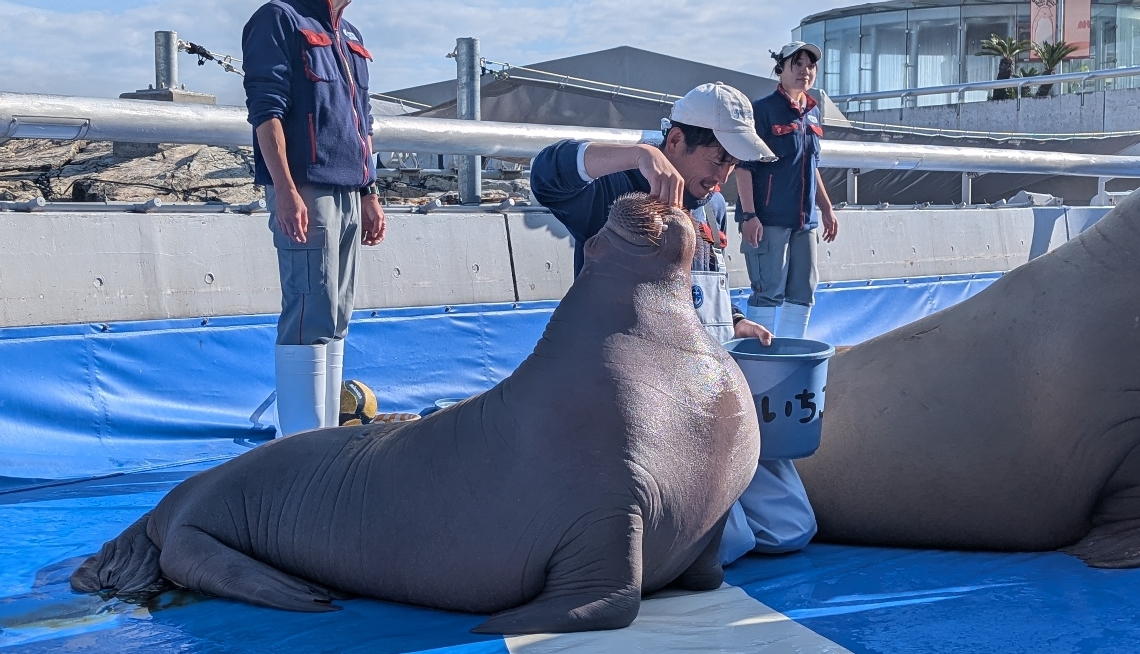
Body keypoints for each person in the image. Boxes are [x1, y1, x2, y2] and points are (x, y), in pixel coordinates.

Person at [531, 83, 815, 566]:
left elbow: (705, 290)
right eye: (717, 158)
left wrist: (738, 322)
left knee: (791, 525)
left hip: (712, 393)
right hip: (653, 403)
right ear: (676, 140)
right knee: (725, 544)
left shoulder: (715, 206)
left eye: (732, 163)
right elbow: (547, 175)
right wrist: (638, 155)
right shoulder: (617, 193)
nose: (723, 174)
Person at [242, 0, 386, 437]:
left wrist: (370, 191)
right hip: (307, 187)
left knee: (337, 312)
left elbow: (364, 121)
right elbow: (266, 110)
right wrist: (285, 190)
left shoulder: (351, 34)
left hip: (349, 189)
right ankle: (299, 444)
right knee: (309, 308)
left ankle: (325, 438)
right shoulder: (279, 18)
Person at [735, 41, 838, 339]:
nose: (804, 71)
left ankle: (791, 350)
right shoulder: (763, 111)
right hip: (769, 218)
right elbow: (744, 167)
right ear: (781, 69)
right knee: (768, 289)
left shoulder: (812, 114)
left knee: (804, 289)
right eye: (797, 64)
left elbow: (811, 166)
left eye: (810, 65)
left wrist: (827, 208)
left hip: (804, 221)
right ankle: (760, 354)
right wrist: (750, 215)